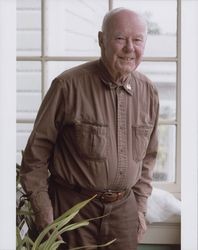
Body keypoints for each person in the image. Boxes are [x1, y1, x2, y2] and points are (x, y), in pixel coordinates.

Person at [20, 7, 159, 250]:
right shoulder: (67, 86)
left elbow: (148, 159)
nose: (129, 48)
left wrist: (140, 208)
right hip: (72, 212)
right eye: (120, 38)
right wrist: (43, 208)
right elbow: (36, 156)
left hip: (124, 214)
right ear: (101, 40)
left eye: (137, 40)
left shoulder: (148, 92)